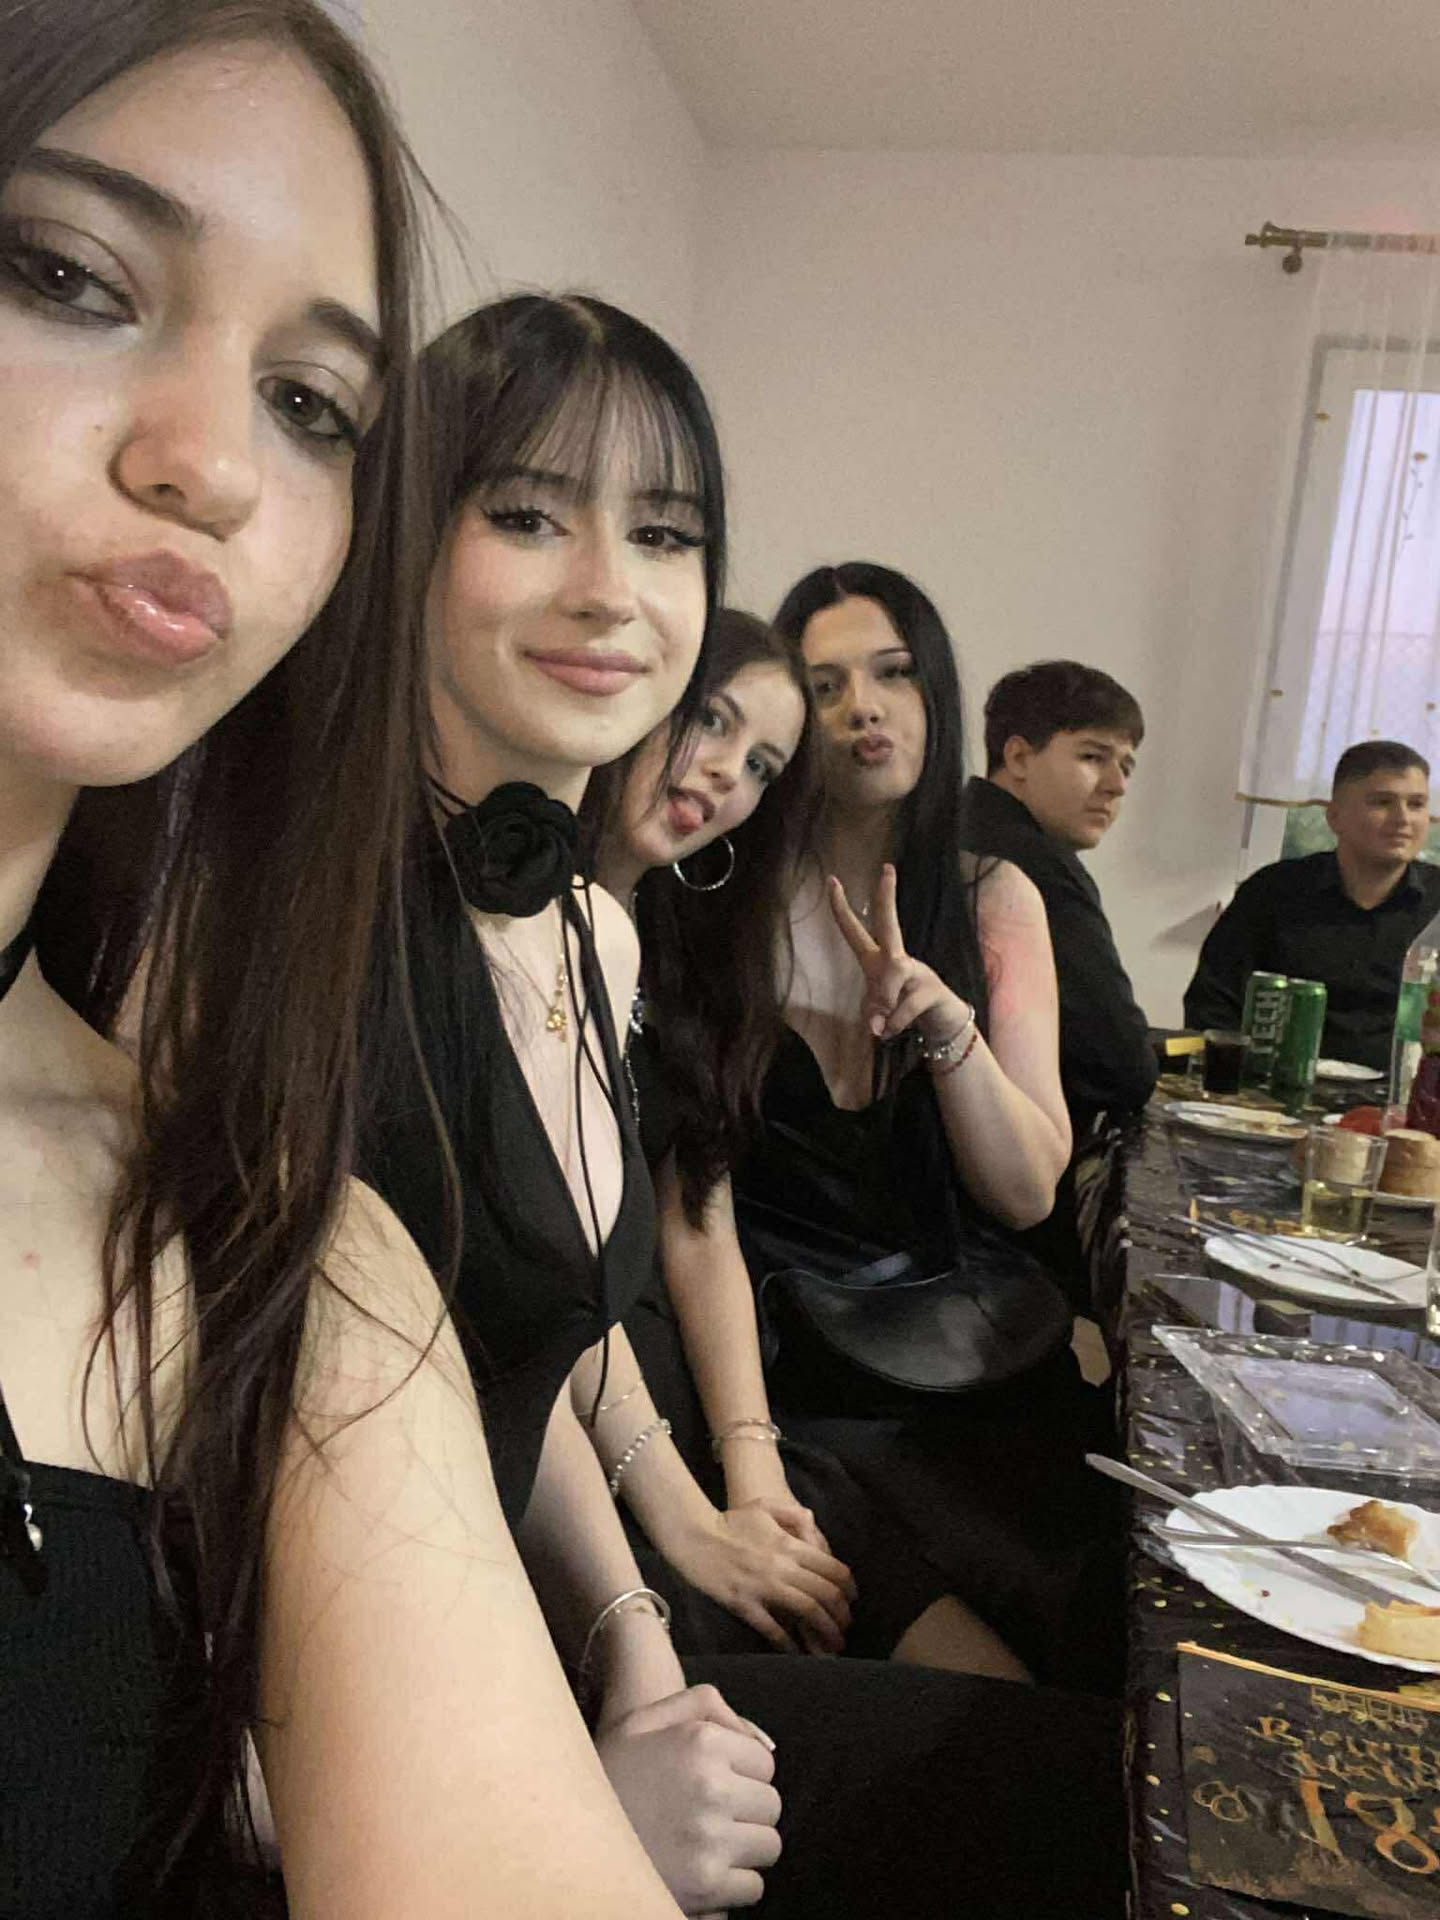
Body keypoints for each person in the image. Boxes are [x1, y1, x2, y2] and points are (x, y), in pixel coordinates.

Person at [2, 9, 694, 1916]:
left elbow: (578, 1321)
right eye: (64, 276)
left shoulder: (269, 1234)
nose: (216, 464)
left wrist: (667, 1582)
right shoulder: (251, 981)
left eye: (312, 405)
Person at [364, 313, 1126, 1918]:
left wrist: (687, 1551)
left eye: (661, 537)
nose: (606, 590)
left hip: (676, 1476)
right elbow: (527, 1323)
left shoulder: (601, 930)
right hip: (470, 1620)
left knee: (1081, 1712)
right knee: (1059, 1791)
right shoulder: (370, 927)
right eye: (526, 514)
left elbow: (575, 1292)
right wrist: (664, 1570)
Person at [711, 561, 1126, 1694]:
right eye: (826, 684)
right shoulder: (721, 895)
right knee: (987, 1681)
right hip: (794, 1368)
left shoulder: (994, 896)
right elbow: (691, 1199)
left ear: (935, 694)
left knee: (1107, 1633)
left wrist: (948, 1029)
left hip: (965, 1351)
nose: (864, 708)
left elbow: (1028, 1190)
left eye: (893, 674)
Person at [589, 608, 1024, 1679]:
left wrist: (754, 1468)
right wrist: (690, 1517)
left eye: (762, 764)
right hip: (602, 1455)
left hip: (711, 1409)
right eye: (712, 721)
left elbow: (700, 1223)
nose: (726, 774)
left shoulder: (675, 945)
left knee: (1035, 1693)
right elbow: (535, 1287)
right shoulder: (519, 931)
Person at [959, 660, 1156, 1129]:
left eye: (1126, 766)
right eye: (1093, 757)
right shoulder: (1037, 864)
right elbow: (1120, 1066)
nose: (1117, 785)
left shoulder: (947, 825)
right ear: (1018, 758)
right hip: (1004, 1141)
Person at [1184, 739, 1440, 1071]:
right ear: (1335, 817)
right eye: (1382, 802)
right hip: (1271, 1089)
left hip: (1403, 1094)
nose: (1403, 818)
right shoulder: (1273, 891)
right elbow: (1212, 1004)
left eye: (1416, 804)